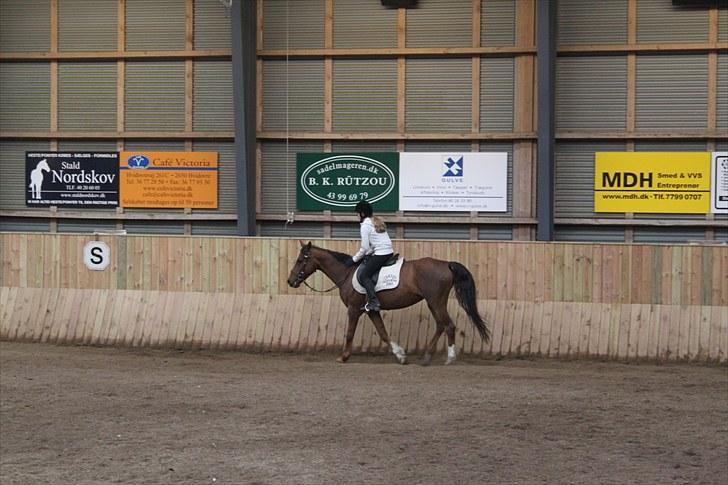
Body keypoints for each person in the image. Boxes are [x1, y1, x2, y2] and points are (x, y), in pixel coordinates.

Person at [345, 200, 394, 313]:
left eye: (357, 213)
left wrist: (353, 259)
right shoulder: (375, 222)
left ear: (362, 213)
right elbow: (373, 246)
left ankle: (373, 302)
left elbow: (364, 248)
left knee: (364, 275)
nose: (357, 216)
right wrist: (367, 255)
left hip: (381, 254)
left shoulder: (365, 226)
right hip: (388, 252)